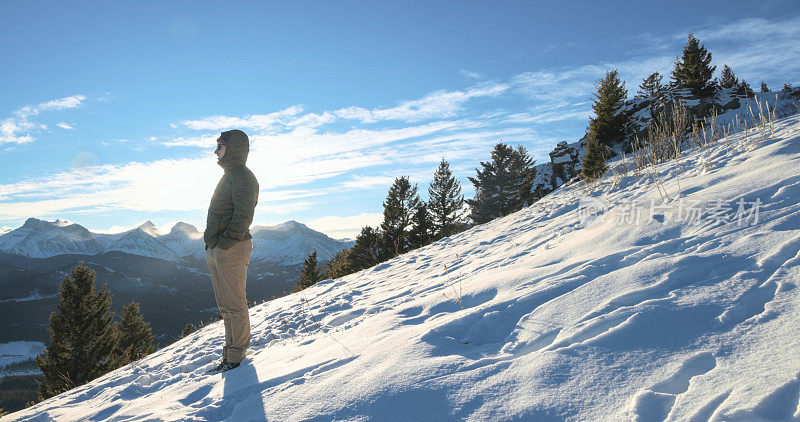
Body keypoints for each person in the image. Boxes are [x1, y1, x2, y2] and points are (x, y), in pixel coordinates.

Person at [204, 129, 259, 373]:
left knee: (234, 304)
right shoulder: (229, 175)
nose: (216, 151)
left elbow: (243, 216)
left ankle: (235, 358)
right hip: (219, 248)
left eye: (220, 145)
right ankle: (229, 354)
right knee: (225, 305)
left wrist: (225, 242)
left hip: (232, 248)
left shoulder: (242, 176)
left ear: (233, 148)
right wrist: (213, 244)